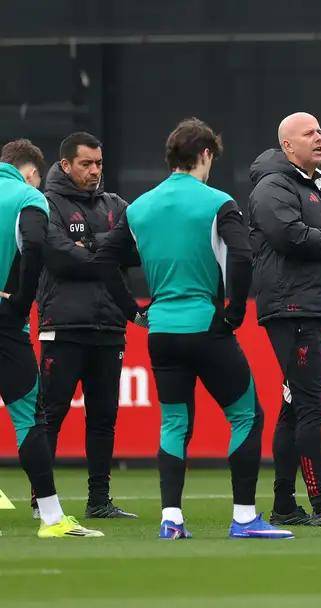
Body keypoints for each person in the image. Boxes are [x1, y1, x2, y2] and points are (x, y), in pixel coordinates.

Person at [92, 118, 292, 540]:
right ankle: (244, 518)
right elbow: (242, 255)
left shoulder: (139, 207)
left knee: (174, 422)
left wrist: (133, 312)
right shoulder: (218, 202)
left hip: (161, 331)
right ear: (205, 154)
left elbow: (104, 260)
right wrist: (234, 311)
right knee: (246, 416)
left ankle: (172, 519)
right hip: (205, 325)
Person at [248, 112, 321, 527]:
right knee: (311, 404)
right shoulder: (272, 186)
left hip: (314, 307)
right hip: (292, 308)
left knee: (294, 406)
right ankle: (320, 504)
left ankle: (283, 505)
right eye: (308, 133)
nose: (319, 137)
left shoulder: (316, 190)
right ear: (287, 145)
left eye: (320, 131)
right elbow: (289, 236)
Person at [35, 131, 141, 520]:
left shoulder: (116, 204)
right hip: (63, 326)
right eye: (86, 164)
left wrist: (92, 246)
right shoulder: (46, 203)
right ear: (65, 165)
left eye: (98, 163)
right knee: (51, 415)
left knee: (103, 418)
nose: (95, 171)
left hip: (109, 326)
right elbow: (59, 256)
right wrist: (109, 251)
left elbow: (138, 248)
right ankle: (42, 500)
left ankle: (99, 500)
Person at [0, 138, 102, 538]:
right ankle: (52, 518)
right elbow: (34, 243)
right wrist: (21, 302)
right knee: (29, 418)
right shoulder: (29, 196)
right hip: (5, 324)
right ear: (31, 172)